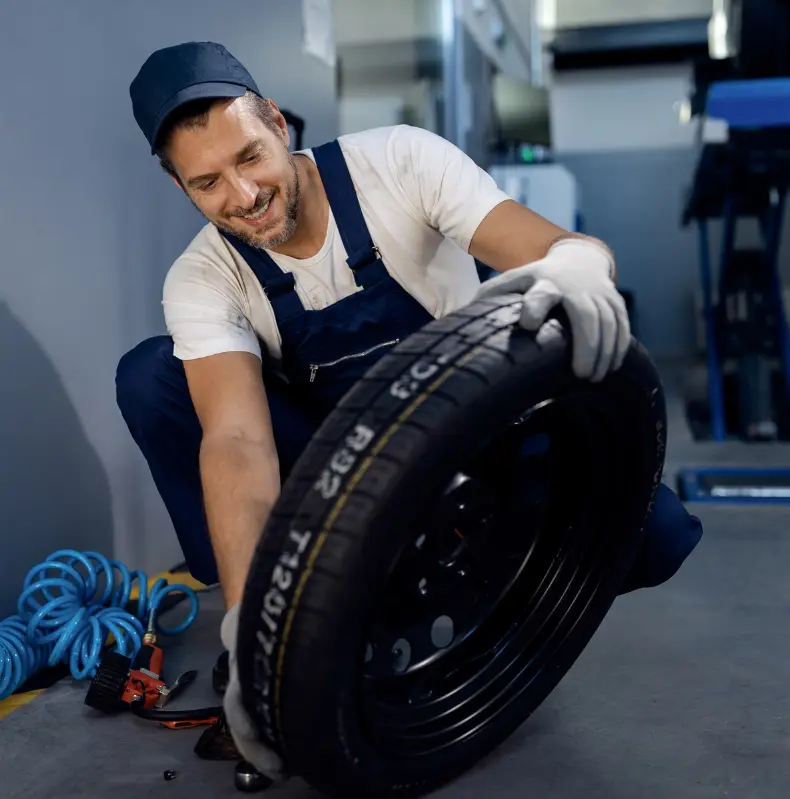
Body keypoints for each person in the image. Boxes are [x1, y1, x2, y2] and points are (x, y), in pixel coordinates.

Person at [120, 42, 702, 780]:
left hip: (473, 444)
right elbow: (238, 439)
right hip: (336, 476)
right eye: (207, 182)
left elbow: (544, 245)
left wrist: (578, 264)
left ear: (276, 120)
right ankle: (299, 631)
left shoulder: (396, 161)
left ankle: (501, 611)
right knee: (151, 377)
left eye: (250, 156)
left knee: (654, 533)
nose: (242, 195)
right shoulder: (204, 277)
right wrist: (253, 629)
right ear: (179, 184)